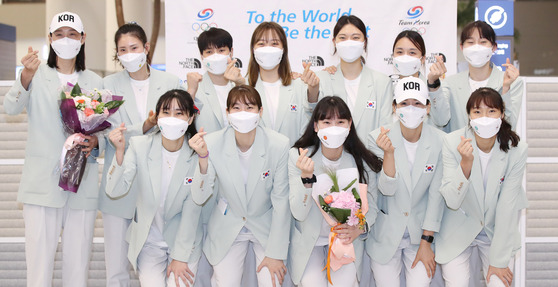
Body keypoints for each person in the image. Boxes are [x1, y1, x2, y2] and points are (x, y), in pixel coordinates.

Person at [3, 11, 102, 286]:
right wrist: (25, 76)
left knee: (77, 266)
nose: (65, 40)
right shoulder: (36, 74)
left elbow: (105, 132)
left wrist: (96, 143)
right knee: (39, 267)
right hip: (42, 186)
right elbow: (10, 107)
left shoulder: (95, 81)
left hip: (82, 183)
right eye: (59, 34)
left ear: (82, 39)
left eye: (72, 34)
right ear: (50, 38)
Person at [100, 22, 184, 287]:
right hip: (119, 183)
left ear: (146, 48)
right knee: (116, 267)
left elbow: (179, 128)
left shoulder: (170, 82)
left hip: (157, 184)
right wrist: (144, 127)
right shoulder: (107, 85)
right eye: (122, 50)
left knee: (153, 262)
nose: (129, 54)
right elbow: (106, 135)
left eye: (134, 47)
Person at [189, 85, 291, 287]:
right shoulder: (211, 142)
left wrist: (276, 253)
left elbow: (281, 202)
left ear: (260, 112)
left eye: (249, 107)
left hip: (265, 226)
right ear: (227, 113)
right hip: (228, 223)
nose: (243, 113)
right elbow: (200, 196)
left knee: (272, 282)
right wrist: (202, 158)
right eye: (236, 108)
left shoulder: (278, 144)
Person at [106, 89, 203, 287]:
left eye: (179, 113)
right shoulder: (140, 145)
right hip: (149, 242)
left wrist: (180, 257)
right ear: (157, 117)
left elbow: (193, 210)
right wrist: (119, 153)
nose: (171, 118)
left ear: (190, 118)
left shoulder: (197, 152)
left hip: (184, 242)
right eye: (166, 112)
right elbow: (115, 190)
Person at [435, 88, 528, 287]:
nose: (484, 117)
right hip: (458, 228)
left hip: (497, 230)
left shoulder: (516, 149)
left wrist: (499, 261)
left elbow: (507, 206)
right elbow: (452, 199)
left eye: (491, 111)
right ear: (468, 115)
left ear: (502, 114)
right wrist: (465, 165)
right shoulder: (452, 142)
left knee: (499, 282)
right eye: (477, 112)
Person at [288, 96, 382, 286]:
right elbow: (298, 212)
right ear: (316, 126)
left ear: (349, 125)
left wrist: (358, 228)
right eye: (327, 122)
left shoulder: (361, 160)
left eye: (340, 122)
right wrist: (306, 179)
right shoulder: (299, 156)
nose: (334, 127)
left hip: (346, 241)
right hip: (310, 242)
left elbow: (372, 207)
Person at [366, 77, 445, 286]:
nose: (411, 109)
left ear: (428, 108)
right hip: (385, 235)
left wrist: (426, 242)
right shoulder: (376, 139)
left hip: (421, 235)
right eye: (404, 103)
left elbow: (437, 195)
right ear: (394, 107)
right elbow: (385, 189)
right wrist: (389, 155)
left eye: (417, 103)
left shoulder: (440, 141)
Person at [427, 21, 522, 133]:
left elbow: (509, 125)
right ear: (462, 47)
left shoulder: (512, 82)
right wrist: (434, 84)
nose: (477, 47)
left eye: (483, 42)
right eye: (471, 42)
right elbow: (440, 120)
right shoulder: (450, 83)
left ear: (494, 47)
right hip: (459, 148)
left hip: (496, 149)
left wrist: (506, 89)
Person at [317, 15, 393, 141]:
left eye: (355, 37)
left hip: (369, 157)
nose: (349, 42)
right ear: (334, 42)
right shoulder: (322, 79)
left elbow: (385, 128)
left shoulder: (382, 82)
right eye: (343, 38)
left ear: (364, 42)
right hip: (331, 156)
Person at [247, 21, 319, 145]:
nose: (268, 49)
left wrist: (314, 90)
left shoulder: (299, 86)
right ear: (253, 50)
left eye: (274, 43)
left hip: (293, 161)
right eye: (261, 44)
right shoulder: (243, 87)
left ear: (283, 49)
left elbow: (311, 125)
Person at [187, 27, 245, 133]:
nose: (215, 56)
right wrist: (191, 91)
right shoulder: (194, 89)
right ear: (201, 56)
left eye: (221, 50)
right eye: (209, 52)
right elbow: (184, 120)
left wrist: (241, 85)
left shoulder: (242, 85)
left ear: (231, 52)